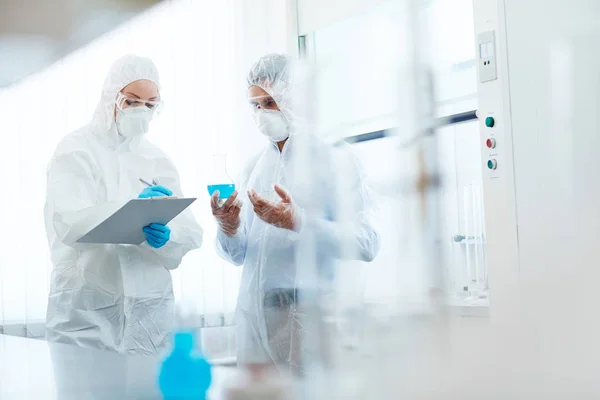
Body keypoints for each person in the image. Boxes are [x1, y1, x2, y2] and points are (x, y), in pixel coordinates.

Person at [211, 53, 381, 372]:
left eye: (270, 102)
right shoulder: (253, 168)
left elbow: (367, 242)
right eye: (255, 105)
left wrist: (298, 221)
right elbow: (237, 256)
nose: (261, 113)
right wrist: (229, 227)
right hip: (255, 323)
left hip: (311, 325)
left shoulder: (336, 161)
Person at [44, 54, 203, 355]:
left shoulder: (157, 159)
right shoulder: (76, 150)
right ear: (111, 97)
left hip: (149, 315)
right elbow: (69, 222)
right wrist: (128, 211)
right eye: (132, 101)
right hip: (87, 313)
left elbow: (190, 231)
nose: (141, 111)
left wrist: (169, 238)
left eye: (150, 104)